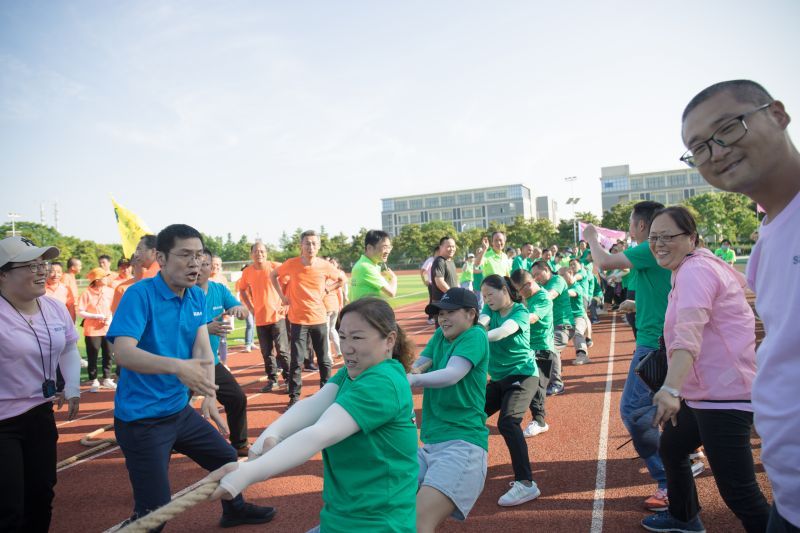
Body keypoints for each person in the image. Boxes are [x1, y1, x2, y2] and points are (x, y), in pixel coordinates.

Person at [680, 79, 800, 531]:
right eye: (698, 148)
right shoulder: (769, 238)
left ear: (778, 115)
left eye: (728, 129)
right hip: (789, 495)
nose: (716, 151)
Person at [107, 224, 275, 529]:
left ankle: (234, 510)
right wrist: (178, 367)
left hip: (177, 412)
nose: (195, 262)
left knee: (227, 460)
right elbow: (124, 353)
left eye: (199, 255)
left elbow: (202, 350)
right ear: (161, 257)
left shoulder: (196, 297)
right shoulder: (139, 295)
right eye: (185, 254)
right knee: (155, 511)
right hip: (142, 420)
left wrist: (210, 394)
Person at [203, 297, 418, 533]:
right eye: (343, 337)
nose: (346, 347)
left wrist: (249, 473)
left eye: (357, 337)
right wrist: (271, 435)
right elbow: (314, 404)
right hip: (344, 519)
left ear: (389, 341)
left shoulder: (382, 382)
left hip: (377, 524)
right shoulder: (356, 371)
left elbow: (319, 434)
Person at [637, 206, 770, 533]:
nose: (658, 244)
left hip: (724, 396)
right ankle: (684, 517)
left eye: (668, 236)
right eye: (654, 237)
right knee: (672, 446)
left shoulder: (695, 270)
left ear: (692, 238)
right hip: (706, 392)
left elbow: (689, 333)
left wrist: (669, 389)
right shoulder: (693, 266)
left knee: (740, 492)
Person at [584, 201, 671, 512]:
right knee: (670, 405)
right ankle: (684, 458)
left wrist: (592, 237)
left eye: (631, 223)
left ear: (643, 226)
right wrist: (638, 306)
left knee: (634, 410)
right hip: (659, 337)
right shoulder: (657, 250)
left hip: (654, 343)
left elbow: (604, 262)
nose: (629, 228)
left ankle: (668, 478)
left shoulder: (649, 247)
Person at [0, 236, 81, 532]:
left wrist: (71, 385)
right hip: (3, 423)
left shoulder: (54, 307)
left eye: (43, 264)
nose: (41, 271)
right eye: (30, 265)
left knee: (41, 496)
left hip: (40, 414)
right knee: (9, 506)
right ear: (3, 274)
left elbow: (69, 347)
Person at [407, 288, 489, 531]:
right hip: (430, 445)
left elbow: (453, 374)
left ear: (471, 314)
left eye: (450, 312)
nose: (442, 318)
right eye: (440, 313)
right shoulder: (441, 337)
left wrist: (411, 381)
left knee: (418, 522)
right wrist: (405, 373)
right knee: (382, 502)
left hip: (462, 446)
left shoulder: (475, 335)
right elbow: (420, 364)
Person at [478, 274, 541, 506]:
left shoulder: (520, 312)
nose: (487, 299)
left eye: (490, 294)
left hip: (523, 375)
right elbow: (481, 323)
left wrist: (477, 338)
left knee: (508, 422)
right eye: (484, 296)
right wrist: (475, 330)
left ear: (504, 289)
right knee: (471, 415)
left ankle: (526, 484)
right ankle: (466, 466)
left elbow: (503, 331)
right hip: (499, 378)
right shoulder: (489, 308)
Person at [271, 230, 347, 406]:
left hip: (319, 318)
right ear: (301, 246)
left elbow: (342, 279)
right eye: (307, 243)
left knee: (324, 360)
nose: (310, 246)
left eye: (314, 243)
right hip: (298, 320)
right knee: (296, 361)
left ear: (318, 246)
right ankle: (294, 397)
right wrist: (282, 296)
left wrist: (330, 288)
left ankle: (326, 394)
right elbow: (273, 275)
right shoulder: (291, 264)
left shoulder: (325, 266)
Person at [197, 248, 252, 456]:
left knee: (236, 397)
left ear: (211, 267)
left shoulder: (219, 290)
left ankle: (239, 444)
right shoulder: (184, 293)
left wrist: (239, 310)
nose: (200, 268)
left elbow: (242, 308)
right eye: (197, 262)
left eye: (205, 264)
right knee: (175, 406)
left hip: (212, 362)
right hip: (185, 362)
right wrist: (206, 328)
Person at [509, 269, 554, 437]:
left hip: (541, 348)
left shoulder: (543, 298)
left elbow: (532, 317)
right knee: (522, 382)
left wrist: (510, 324)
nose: (518, 293)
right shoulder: (525, 297)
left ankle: (539, 421)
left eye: (519, 289)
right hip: (527, 347)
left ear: (528, 284)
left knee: (537, 386)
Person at [239, 242, 289, 393]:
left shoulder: (276, 267)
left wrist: (286, 303)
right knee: (266, 353)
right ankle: (272, 380)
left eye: (262, 251)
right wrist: (251, 307)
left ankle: (288, 379)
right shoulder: (247, 272)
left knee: (283, 351)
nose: (259, 254)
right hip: (260, 318)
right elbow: (242, 290)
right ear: (251, 254)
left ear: (266, 253)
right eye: (256, 251)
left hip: (277, 316)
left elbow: (291, 283)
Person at [530, 260, 571, 396]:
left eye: (537, 274)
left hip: (563, 325)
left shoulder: (557, 280)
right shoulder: (541, 286)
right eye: (533, 276)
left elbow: (550, 295)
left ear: (547, 269)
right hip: (552, 327)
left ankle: (557, 383)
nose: (536, 278)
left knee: (550, 347)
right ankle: (552, 372)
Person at [77, 267, 116, 392]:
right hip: (92, 329)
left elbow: (114, 307)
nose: (106, 278)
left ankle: (107, 378)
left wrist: (109, 318)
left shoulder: (110, 291)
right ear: (97, 280)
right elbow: (80, 311)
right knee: (93, 355)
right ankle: (93, 380)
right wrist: (96, 316)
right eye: (104, 276)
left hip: (108, 328)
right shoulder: (87, 293)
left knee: (108, 354)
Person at [350, 229, 397, 301]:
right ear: (369, 248)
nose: (387, 251)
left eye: (389, 247)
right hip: (365, 311)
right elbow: (391, 293)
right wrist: (393, 278)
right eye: (384, 247)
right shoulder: (366, 267)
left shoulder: (361, 264)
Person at [430, 236, 458, 304]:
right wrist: (453, 295)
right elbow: (440, 282)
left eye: (453, 246)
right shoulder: (440, 261)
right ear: (441, 247)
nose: (452, 249)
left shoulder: (451, 261)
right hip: (442, 303)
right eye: (449, 246)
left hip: (450, 301)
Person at [421, 246, 438, 325]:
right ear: (435, 252)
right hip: (431, 284)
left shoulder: (439, 260)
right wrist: (425, 280)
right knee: (432, 300)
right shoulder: (430, 260)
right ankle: (430, 317)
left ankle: (436, 316)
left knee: (438, 300)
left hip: (438, 284)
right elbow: (422, 271)